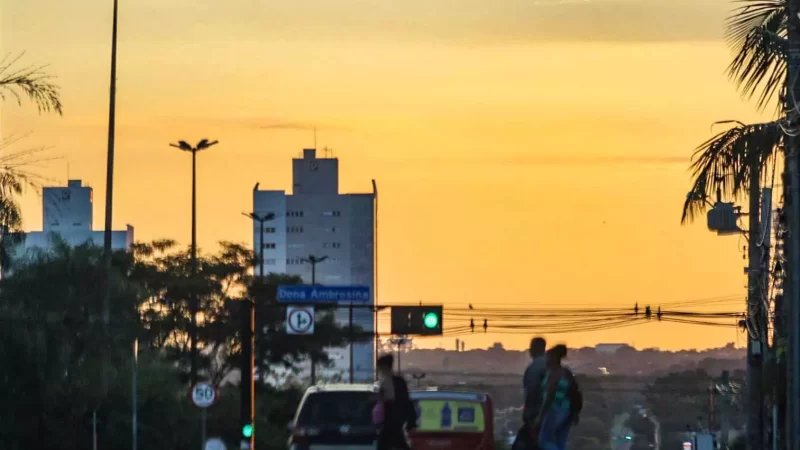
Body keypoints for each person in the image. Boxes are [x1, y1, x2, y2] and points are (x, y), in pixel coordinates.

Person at [534, 345, 583, 450]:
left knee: (544, 440)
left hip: (555, 409)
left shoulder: (554, 373)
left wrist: (540, 416)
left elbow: (550, 396)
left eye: (547, 357)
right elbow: (575, 392)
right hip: (567, 411)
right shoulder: (566, 372)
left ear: (553, 358)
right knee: (560, 442)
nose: (545, 360)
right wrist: (574, 413)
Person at [376, 354, 417, 450]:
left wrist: (378, 398)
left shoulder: (389, 381)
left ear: (385, 367)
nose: (379, 371)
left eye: (380, 368)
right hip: (396, 423)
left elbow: (391, 398)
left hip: (392, 423)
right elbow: (407, 402)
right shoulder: (398, 381)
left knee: (387, 444)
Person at [513, 337, 547, 450]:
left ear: (533, 349)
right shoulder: (551, 366)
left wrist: (527, 414)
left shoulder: (534, 368)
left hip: (536, 415)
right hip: (550, 415)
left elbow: (531, 393)